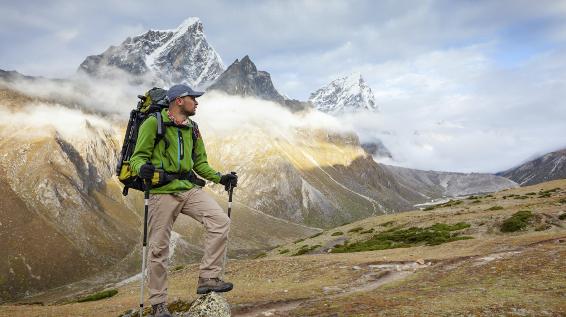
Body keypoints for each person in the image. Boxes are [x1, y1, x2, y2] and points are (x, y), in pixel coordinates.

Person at [130, 84, 238, 317]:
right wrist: (143, 169)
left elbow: (200, 164)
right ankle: (159, 304)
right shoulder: (153, 123)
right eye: (193, 98)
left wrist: (221, 178)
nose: (197, 102)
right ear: (179, 101)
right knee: (158, 248)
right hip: (161, 192)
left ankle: (208, 278)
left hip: (188, 189)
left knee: (220, 221)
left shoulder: (193, 129)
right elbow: (137, 158)